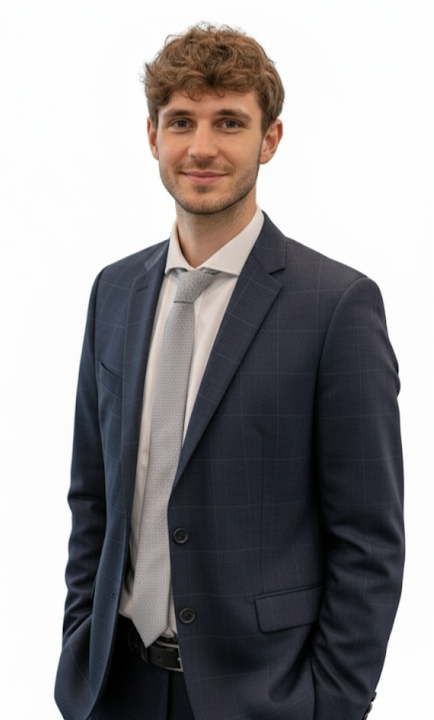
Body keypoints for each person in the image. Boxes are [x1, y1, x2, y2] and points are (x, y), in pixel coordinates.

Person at [55, 24, 404, 720]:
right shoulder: (114, 291)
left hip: (260, 696)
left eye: (230, 122)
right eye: (181, 121)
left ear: (270, 140)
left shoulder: (336, 306)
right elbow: (92, 498)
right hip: (115, 687)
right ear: (152, 135)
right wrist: (79, 641)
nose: (202, 147)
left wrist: (329, 705)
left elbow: (369, 541)